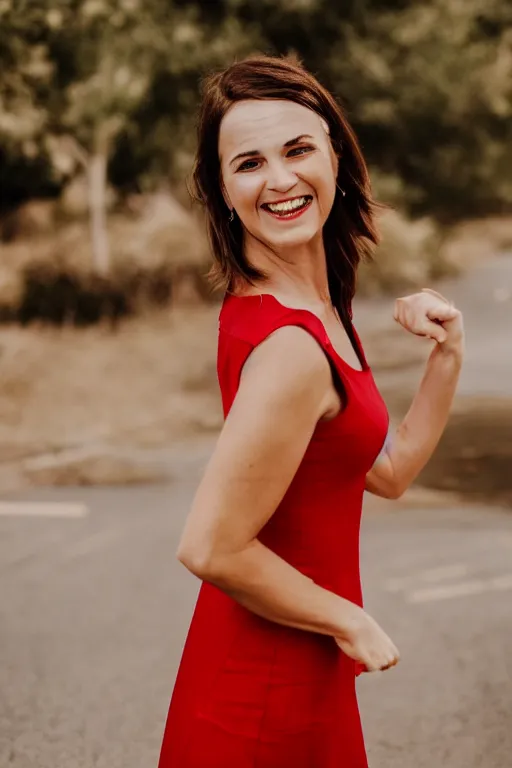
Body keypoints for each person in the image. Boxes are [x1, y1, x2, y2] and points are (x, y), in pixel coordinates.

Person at [158, 54, 464, 768]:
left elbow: (384, 472)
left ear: (337, 157)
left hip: (300, 675)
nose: (281, 179)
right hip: (262, 696)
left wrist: (446, 355)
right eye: (249, 163)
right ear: (222, 190)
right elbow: (209, 546)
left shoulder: (318, 311)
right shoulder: (292, 346)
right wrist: (345, 616)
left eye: (298, 150)